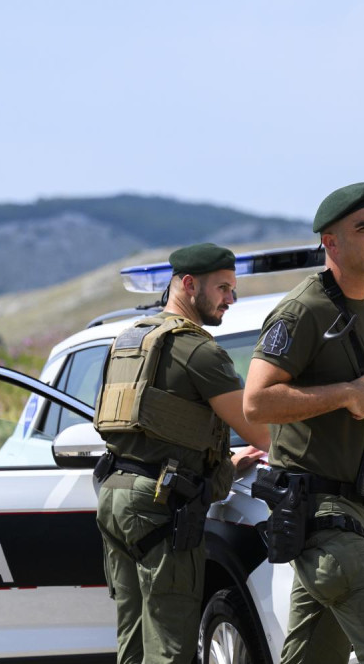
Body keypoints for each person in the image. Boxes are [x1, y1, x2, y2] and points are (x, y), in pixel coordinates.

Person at [243, 182, 364, 664]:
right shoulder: (302, 311)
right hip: (318, 514)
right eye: (363, 227)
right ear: (331, 243)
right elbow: (256, 402)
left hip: (360, 511)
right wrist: (343, 394)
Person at [93, 242, 270, 664]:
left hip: (116, 497)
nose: (232, 298)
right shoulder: (199, 351)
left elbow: (149, 433)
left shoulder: (130, 339)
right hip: (160, 506)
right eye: (223, 288)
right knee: (171, 649)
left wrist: (225, 463)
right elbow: (262, 431)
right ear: (189, 285)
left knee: (133, 644)